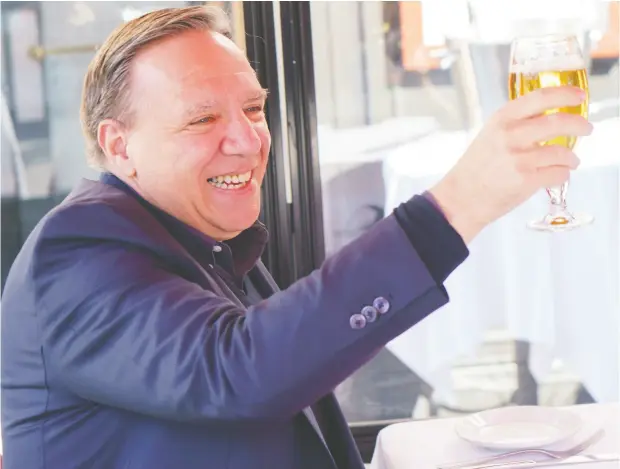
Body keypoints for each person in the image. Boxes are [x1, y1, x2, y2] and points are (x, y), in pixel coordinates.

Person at [0, 6, 592, 469]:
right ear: (118, 146)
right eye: (203, 118)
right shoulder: (74, 252)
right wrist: (455, 204)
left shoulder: (210, 239)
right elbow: (239, 370)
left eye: (254, 109)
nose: (247, 139)